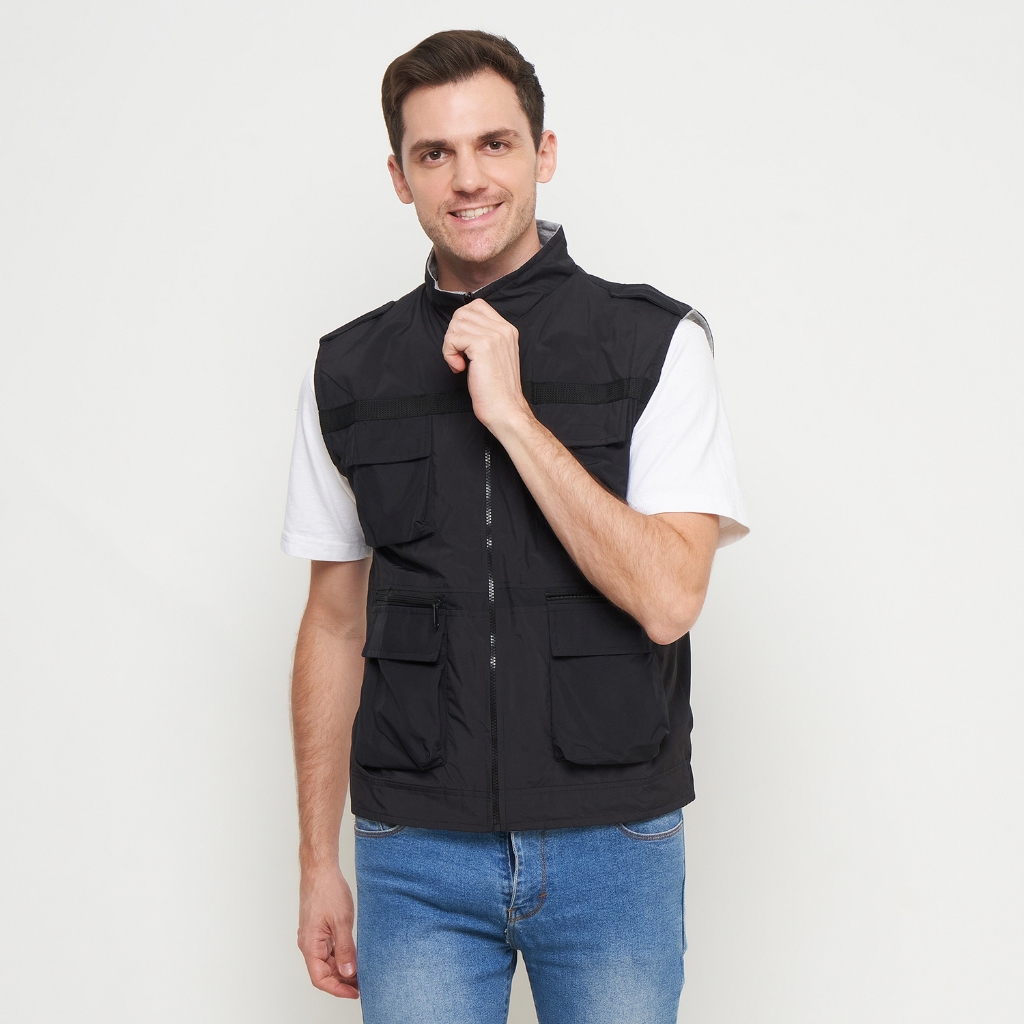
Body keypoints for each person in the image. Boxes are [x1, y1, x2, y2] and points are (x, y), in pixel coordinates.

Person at [282, 29, 748, 1024]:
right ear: (400, 177)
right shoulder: (348, 371)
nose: (467, 179)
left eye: (494, 144)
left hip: (612, 846)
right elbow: (333, 621)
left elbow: (670, 597)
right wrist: (318, 859)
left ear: (543, 154)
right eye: (434, 153)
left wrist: (513, 415)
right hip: (415, 855)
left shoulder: (653, 345)